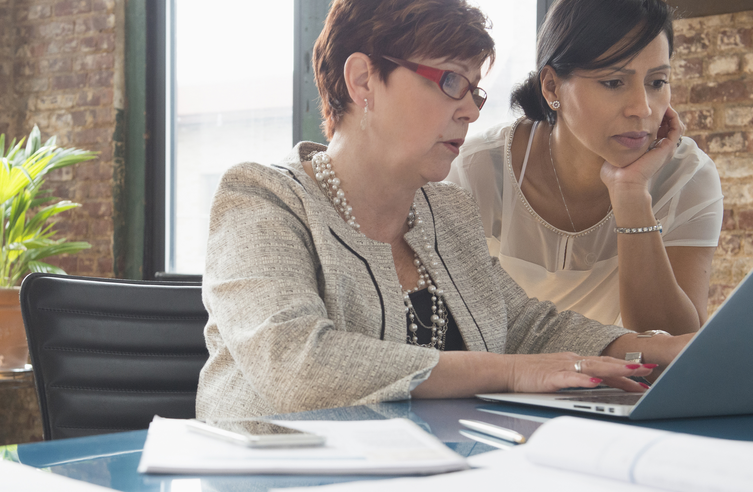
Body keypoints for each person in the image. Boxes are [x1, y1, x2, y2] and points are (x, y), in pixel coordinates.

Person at [196, 0, 692, 420]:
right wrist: (514, 372)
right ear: (363, 80)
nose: (472, 110)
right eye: (450, 81)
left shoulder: (446, 212)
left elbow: (524, 326)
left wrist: (665, 350)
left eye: (475, 89)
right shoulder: (262, 200)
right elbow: (296, 364)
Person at [447, 0, 724, 335]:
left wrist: (631, 195)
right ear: (551, 86)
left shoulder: (687, 178)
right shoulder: (477, 171)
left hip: (631, 386)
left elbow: (676, 347)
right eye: (613, 82)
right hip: (502, 382)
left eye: (657, 82)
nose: (642, 108)